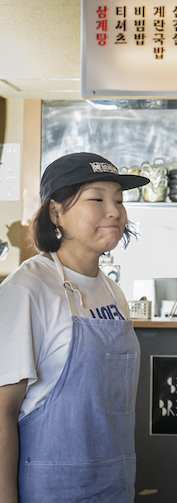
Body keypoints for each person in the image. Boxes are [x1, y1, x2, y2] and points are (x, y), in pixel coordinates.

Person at [0, 152, 149, 502]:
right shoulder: (27, 290)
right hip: (52, 490)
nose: (114, 211)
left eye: (119, 200)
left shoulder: (114, 293)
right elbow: (2, 412)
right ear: (56, 213)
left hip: (114, 483)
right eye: (96, 198)